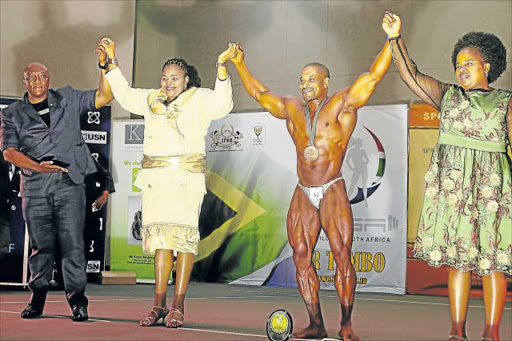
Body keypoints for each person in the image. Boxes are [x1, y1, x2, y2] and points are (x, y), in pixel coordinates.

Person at [229, 23, 392, 340]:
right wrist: (239, 64)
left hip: (332, 187)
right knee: (301, 254)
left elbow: (372, 77)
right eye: (302, 79)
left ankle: (346, 323)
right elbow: (259, 94)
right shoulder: (292, 108)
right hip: (303, 191)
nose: (305, 84)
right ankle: (316, 323)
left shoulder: (342, 105)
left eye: (311, 79)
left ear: (326, 82)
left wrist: (391, 40)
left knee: (341, 253)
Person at [383, 12, 511, 341]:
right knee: (460, 261)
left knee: (493, 263)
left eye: (469, 62)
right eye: (458, 64)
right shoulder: (447, 96)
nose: (461, 68)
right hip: (455, 192)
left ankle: (492, 333)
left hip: (491, 193)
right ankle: (456, 332)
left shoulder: (505, 103)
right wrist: (396, 39)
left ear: (488, 66)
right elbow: (410, 75)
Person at [99, 37, 235, 328]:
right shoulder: (151, 99)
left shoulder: (199, 98)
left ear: (186, 80)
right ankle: (158, 304)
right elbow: (123, 93)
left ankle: (179, 305)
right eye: (164, 77)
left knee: (183, 242)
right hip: (156, 181)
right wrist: (112, 59)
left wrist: (221, 65)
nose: (168, 82)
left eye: (174, 78)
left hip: (186, 180)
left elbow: (223, 104)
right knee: (161, 243)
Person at [0, 47, 113, 321]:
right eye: (31, 77)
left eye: (42, 76)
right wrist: (37, 166)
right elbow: (8, 151)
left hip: (69, 183)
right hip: (35, 186)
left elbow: (105, 95)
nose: (37, 81)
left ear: (49, 79)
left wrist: (104, 66)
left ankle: (77, 301)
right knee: (41, 245)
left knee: (73, 243)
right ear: (24, 81)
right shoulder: (12, 113)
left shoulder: (68, 98)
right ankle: (37, 297)